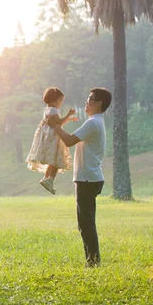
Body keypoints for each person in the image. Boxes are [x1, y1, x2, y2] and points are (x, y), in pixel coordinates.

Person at [48, 88, 111, 267]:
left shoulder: (93, 123)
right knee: (85, 223)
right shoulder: (96, 122)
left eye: (90, 99)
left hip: (87, 179)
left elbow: (68, 141)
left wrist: (56, 126)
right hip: (89, 178)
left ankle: (93, 261)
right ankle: (92, 260)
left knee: (86, 224)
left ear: (99, 103)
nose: (86, 102)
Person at [26, 87, 78, 194]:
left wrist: (69, 119)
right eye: (60, 101)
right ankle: (50, 179)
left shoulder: (48, 109)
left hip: (49, 135)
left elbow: (58, 122)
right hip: (54, 136)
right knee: (56, 158)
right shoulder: (53, 110)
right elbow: (59, 123)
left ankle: (47, 179)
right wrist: (69, 115)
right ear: (53, 101)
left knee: (53, 159)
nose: (61, 103)